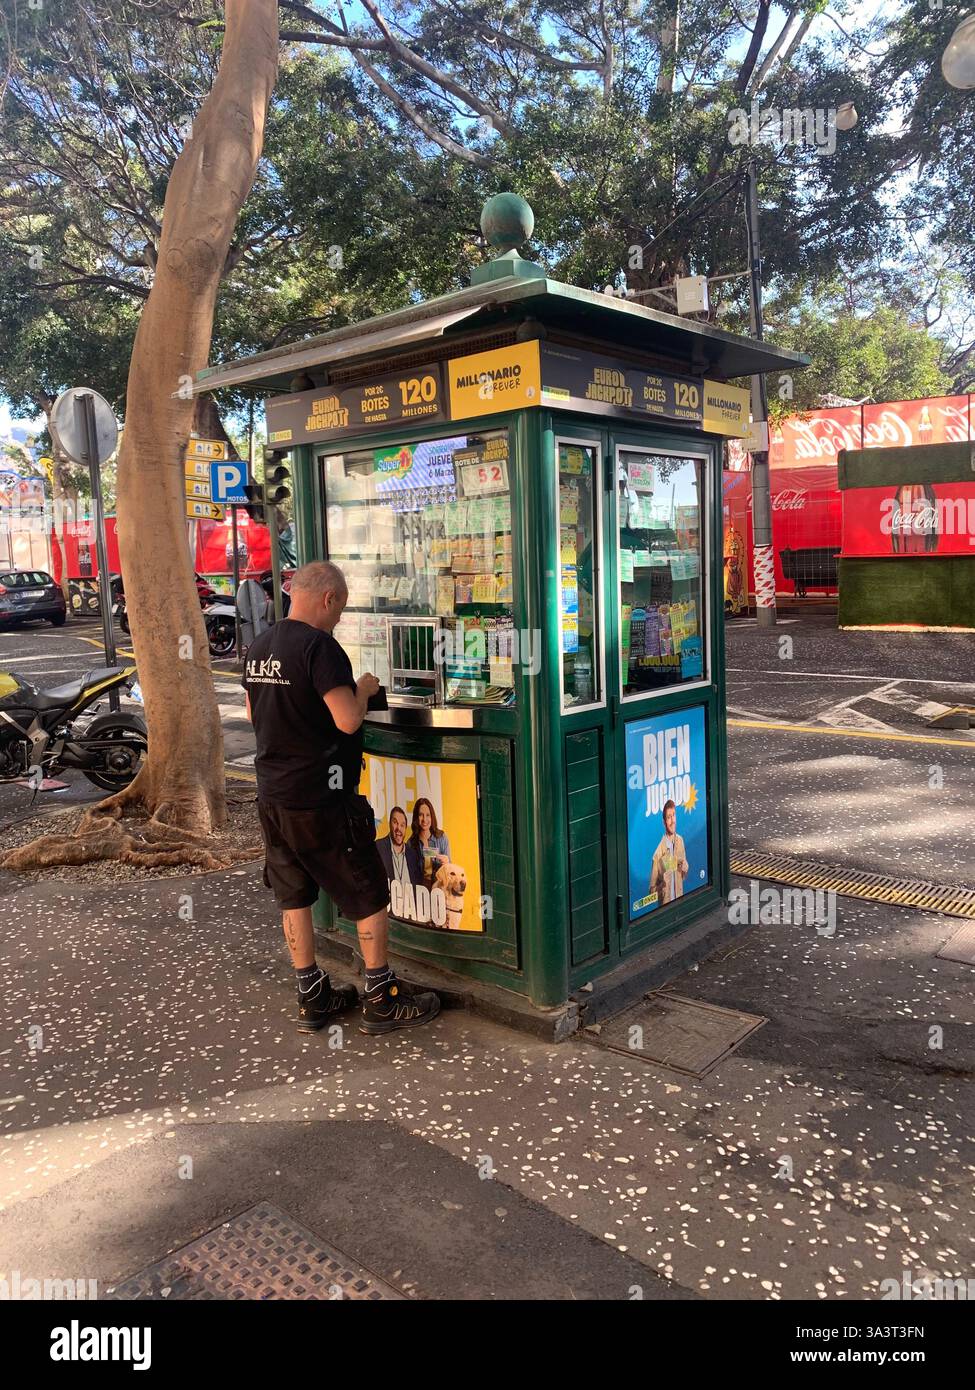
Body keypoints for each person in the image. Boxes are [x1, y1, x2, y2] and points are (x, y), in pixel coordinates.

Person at [243, 560, 440, 1036]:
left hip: (274, 794)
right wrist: (365, 688)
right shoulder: (319, 647)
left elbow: (253, 714)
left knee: (294, 895)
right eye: (340, 610)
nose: (338, 620)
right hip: (322, 798)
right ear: (328, 599)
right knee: (366, 892)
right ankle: (382, 998)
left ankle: (312, 997)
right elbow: (348, 719)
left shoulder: (260, 647)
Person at [649, 799, 689, 905]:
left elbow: (683, 876)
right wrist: (662, 885)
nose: (673, 821)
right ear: (664, 822)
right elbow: (651, 893)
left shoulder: (680, 841)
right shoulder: (657, 855)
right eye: (669, 817)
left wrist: (685, 869)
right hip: (666, 908)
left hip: (680, 904)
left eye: (674, 815)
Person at [408, 797, 451, 893]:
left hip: (439, 891)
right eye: (421, 815)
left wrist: (447, 864)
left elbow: (450, 872)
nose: (424, 819)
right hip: (420, 892)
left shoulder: (442, 838)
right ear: (416, 817)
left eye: (428, 815)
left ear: (432, 817)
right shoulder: (411, 843)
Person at [376, 805, 422, 889]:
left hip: (409, 901)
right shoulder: (378, 848)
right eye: (395, 823)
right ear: (389, 824)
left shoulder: (413, 855)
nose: (399, 828)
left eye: (402, 825)